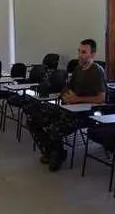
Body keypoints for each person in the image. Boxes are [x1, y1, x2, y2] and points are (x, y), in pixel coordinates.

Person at [25, 39, 106, 172]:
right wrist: (66, 94)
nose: (80, 55)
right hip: (70, 107)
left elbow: (101, 98)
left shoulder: (97, 71)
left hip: (84, 113)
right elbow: (67, 88)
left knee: (54, 127)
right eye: (79, 51)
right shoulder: (78, 69)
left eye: (84, 52)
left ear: (92, 54)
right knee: (33, 118)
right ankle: (50, 150)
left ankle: (58, 154)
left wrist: (77, 99)